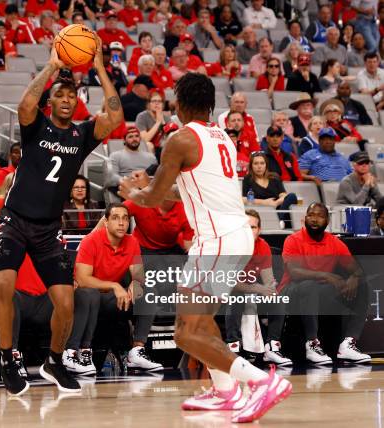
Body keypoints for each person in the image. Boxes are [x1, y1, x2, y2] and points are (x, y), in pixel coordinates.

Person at [118, 73, 291, 423]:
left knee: (185, 333)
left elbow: (153, 198)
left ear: (179, 103)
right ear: (210, 104)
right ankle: (226, 391)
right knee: (199, 324)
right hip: (228, 234)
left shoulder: (180, 140)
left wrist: (133, 193)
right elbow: (186, 190)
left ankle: (260, 382)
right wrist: (150, 188)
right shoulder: (222, 138)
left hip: (218, 240)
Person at [0, 36, 122, 396]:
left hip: (48, 229)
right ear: (51, 102)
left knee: (66, 301)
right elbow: (24, 104)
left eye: (72, 95)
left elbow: (116, 116)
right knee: (4, 285)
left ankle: (54, 360)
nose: (66, 100)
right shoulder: (35, 126)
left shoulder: (82, 135)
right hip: (15, 219)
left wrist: (97, 66)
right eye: (60, 95)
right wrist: (51, 65)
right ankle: (7, 358)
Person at [67, 203, 162, 373]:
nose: (121, 223)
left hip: (112, 299)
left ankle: (137, 351)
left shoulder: (132, 241)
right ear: (106, 222)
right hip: (87, 299)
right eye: (116, 218)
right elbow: (82, 280)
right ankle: (77, 353)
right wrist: (114, 285)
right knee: (90, 294)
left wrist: (136, 282)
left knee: (148, 292)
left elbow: (139, 275)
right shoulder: (91, 240)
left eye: (125, 219)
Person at [279, 202, 371, 364]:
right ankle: (312, 344)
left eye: (320, 216)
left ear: (327, 221)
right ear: (305, 219)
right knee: (309, 285)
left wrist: (354, 278)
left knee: (363, 286)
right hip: (290, 292)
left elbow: (357, 269)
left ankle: (348, 345)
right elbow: (295, 273)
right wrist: (327, 276)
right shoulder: (293, 240)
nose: (315, 219)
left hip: (318, 293)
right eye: (311, 215)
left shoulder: (334, 242)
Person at [224, 209, 291, 365]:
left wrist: (270, 288)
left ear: (259, 230)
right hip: (228, 293)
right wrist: (259, 289)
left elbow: (268, 279)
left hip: (252, 290)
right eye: (245, 227)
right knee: (236, 297)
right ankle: (233, 347)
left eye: (253, 227)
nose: (248, 231)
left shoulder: (263, 246)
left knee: (277, 299)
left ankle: (272, 347)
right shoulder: (230, 246)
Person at [242, 152, 298, 228]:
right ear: (251, 166)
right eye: (256, 163)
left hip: (278, 208)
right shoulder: (248, 179)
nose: (259, 166)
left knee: (292, 196)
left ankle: (280, 219)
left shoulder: (274, 177)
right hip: (261, 211)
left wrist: (275, 203)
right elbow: (245, 199)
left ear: (266, 165)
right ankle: (280, 220)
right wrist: (265, 202)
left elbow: (283, 195)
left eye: (262, 163)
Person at [107, 126, 157, 197]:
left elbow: (156, 177)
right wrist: (127, 181)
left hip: (147, 186)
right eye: (130, 137)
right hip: (128, 187)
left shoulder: (151, 157)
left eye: (136, 136)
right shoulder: (116, 155)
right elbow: (112, 176)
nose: (134, 139)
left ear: (140, 138)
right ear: (124, 140)